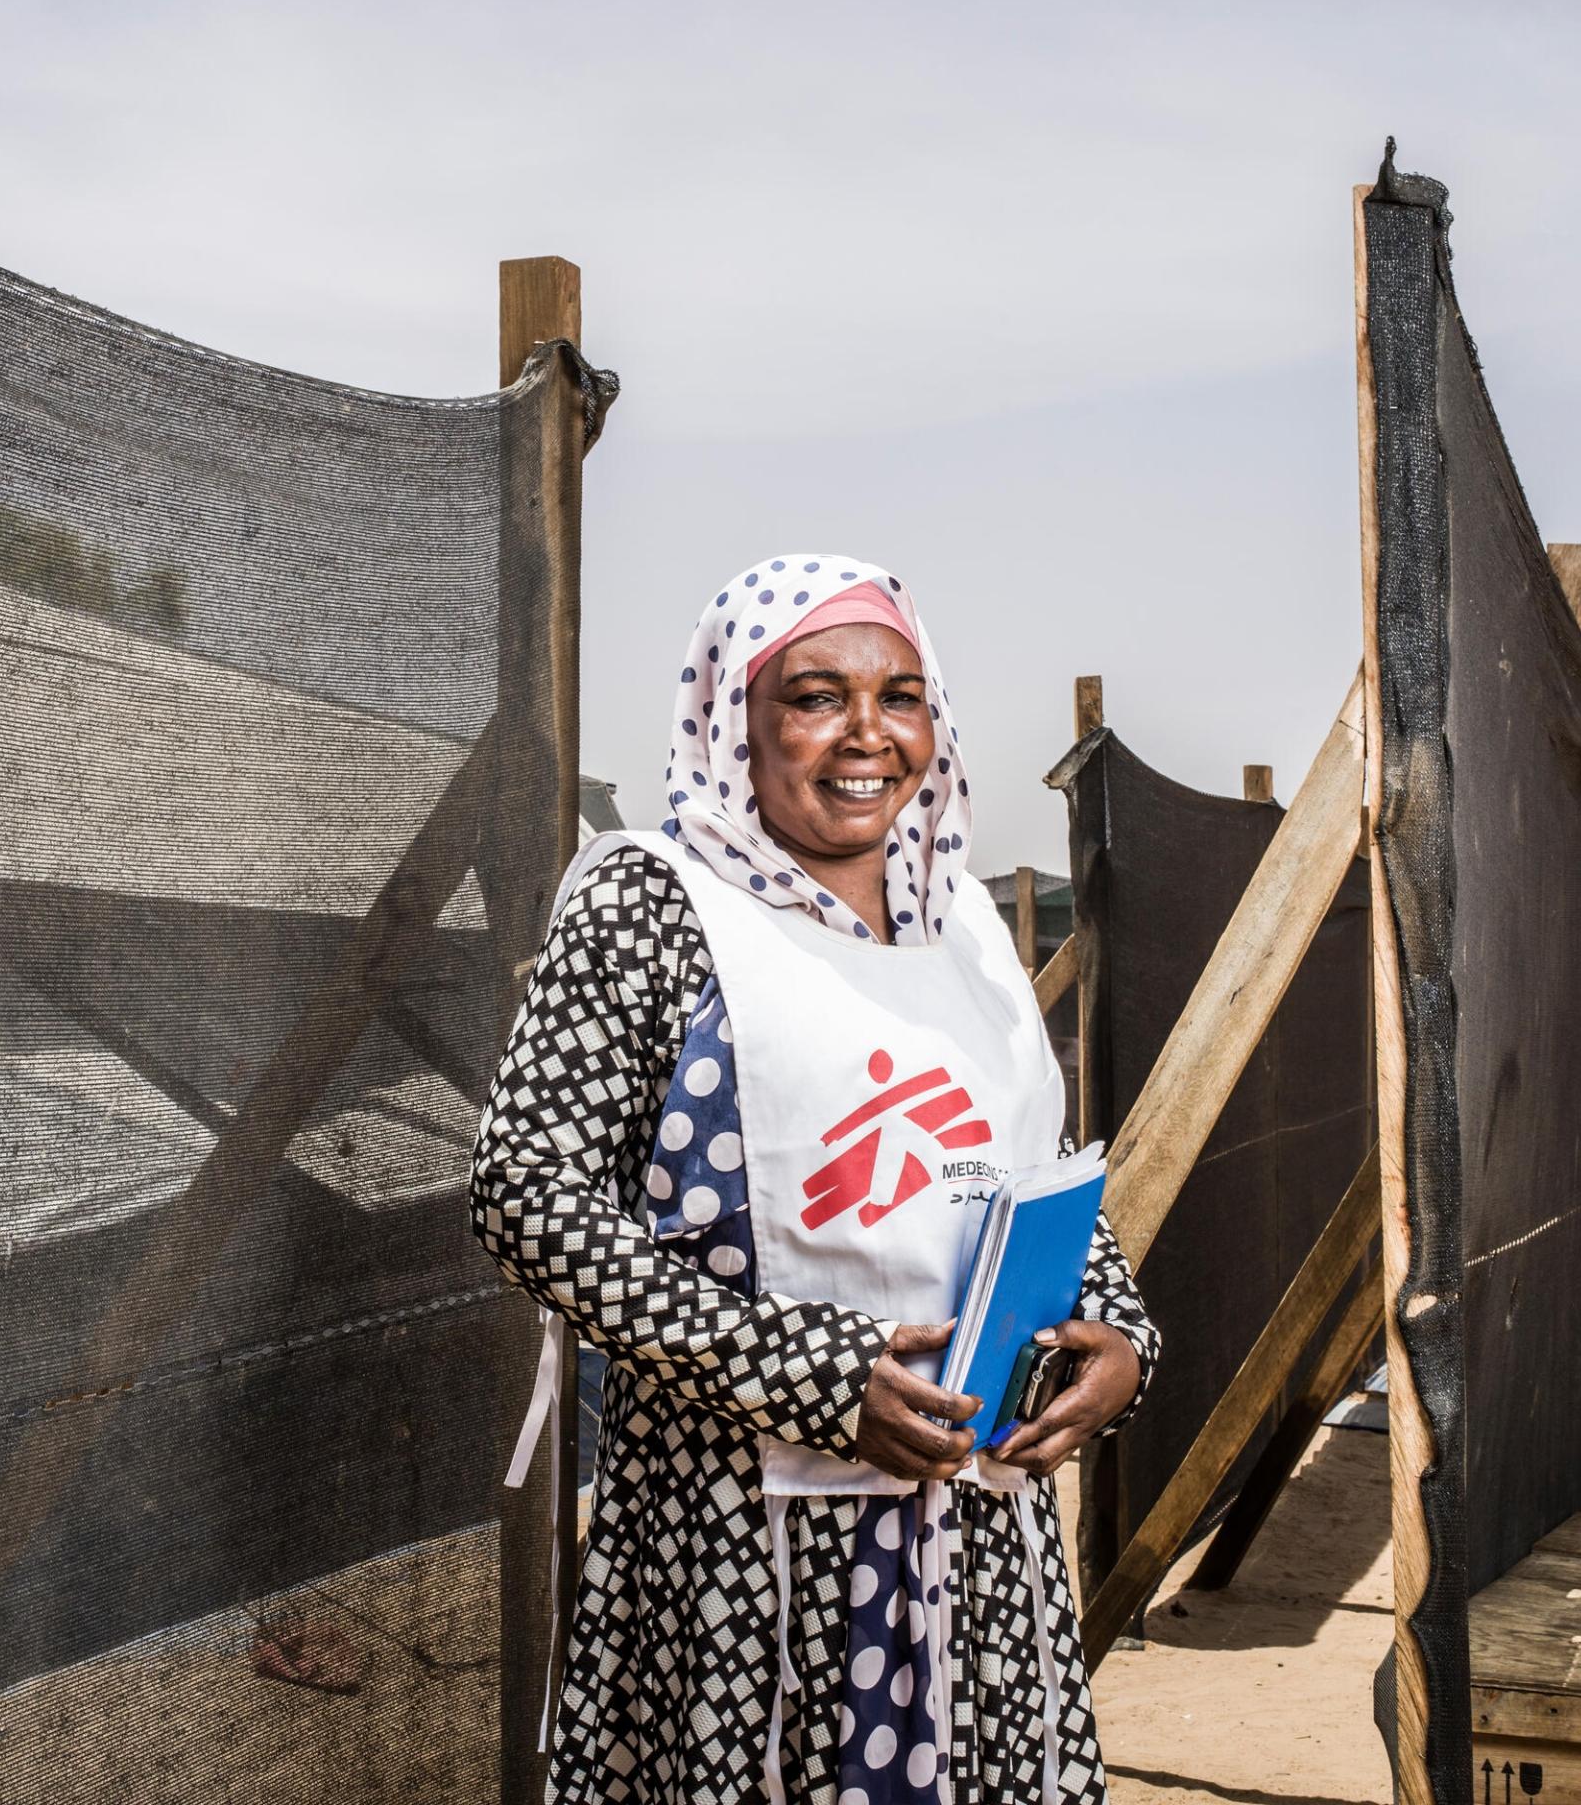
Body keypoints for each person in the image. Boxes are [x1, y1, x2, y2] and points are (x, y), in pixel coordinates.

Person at [473, 555, 1158, 1805]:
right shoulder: (653, 902)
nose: (867, 734)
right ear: (732, 716)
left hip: (979, 1550)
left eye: (900, 696)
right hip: (745, 1546)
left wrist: (1114, 1335)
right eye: (814, 696)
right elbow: (525, 1191)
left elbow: (1021, 1179)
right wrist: (809, 1374)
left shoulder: (965, 928)